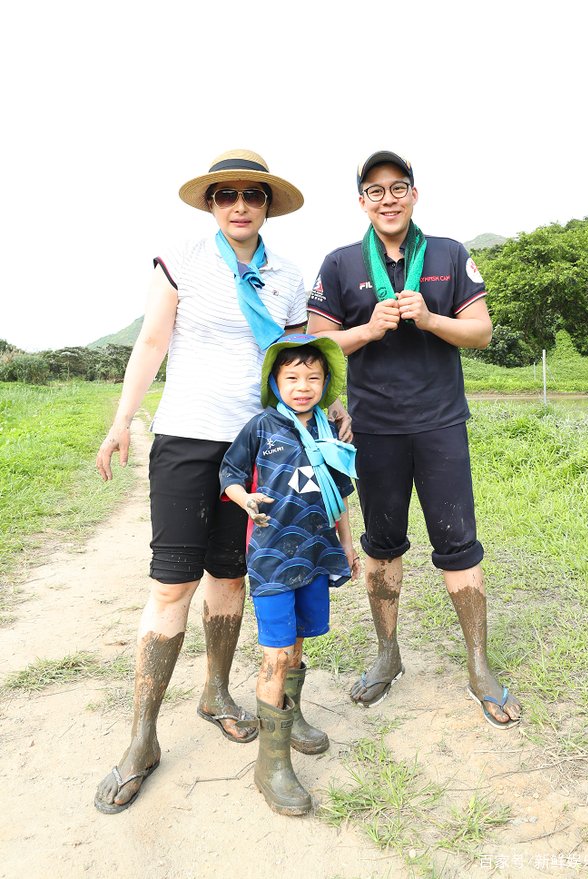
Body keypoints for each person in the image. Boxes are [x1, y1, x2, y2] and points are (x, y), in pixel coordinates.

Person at [94, 149, 351, 814]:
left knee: (235, 576)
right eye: (226, 194)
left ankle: (218, 692)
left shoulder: (289, 275)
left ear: (268, 205)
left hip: (262, 447)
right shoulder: (183, 258)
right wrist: (124, 421)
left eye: (253, 195)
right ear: (211, 204)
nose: (240, 204)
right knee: (173, 582)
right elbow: (152, 342)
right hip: (185, 437)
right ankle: (142, 738)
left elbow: (294, 363)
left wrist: (325, 413)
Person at [306, 150, 521, 728]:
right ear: (362, 202)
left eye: (397, 187)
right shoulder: (340, 263)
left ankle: (479, 666)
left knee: (459, 544)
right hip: (373, 428)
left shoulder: (449, 254)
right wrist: (369, 329)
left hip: (441, 423)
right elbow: (318, 349)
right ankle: (387, 654)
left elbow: (480, 331)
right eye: (374, 191)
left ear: (414, 194)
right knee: (381, 546)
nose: (388, 198)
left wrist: (429, 320)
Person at [219, 334, 361, 815]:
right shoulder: (261, 427)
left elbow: (337, 494)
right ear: (275, 382)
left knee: (299, 643)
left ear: (326, 383)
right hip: (273, 561)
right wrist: (245, 500)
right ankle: (271, 765)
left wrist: (346, 543)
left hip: (316, 557)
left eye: (313, 378)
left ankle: (293, 716)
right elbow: (229, 474)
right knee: (275, 657)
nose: (303, 387)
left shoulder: (331, 431)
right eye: (292, 378)